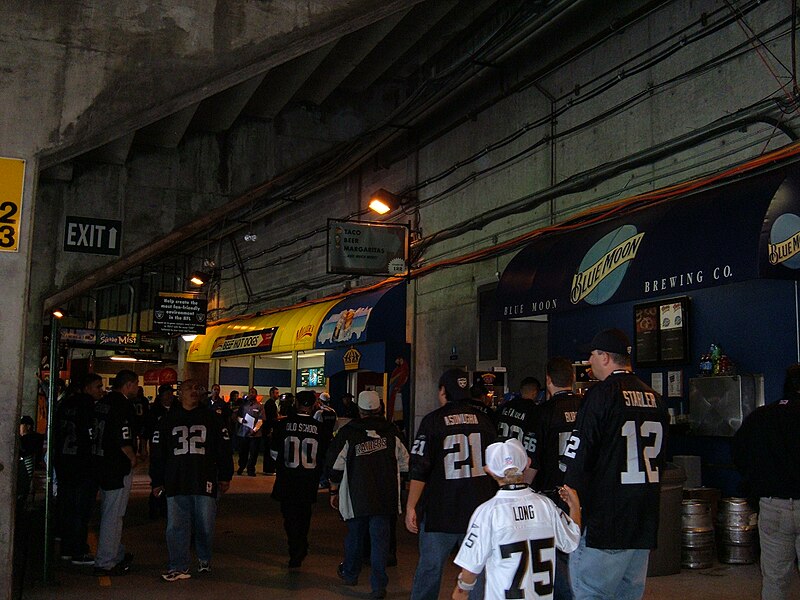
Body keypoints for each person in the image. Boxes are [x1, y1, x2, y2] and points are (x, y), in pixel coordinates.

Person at [562, 328, 669, 600]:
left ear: (606, 357)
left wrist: (571, 502)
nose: (589, 360)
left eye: (593, 354)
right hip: (643, 521)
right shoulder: (655, 399)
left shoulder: (601, 395)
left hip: (607, 522)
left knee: (590, 592)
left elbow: (578, 455)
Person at [406, 368, 498, 600]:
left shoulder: (433, 421)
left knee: (430, 568)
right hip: (478, 510)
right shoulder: (485, 421)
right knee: (477, 570)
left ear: (443, 391)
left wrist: (411, 507)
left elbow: (419, 467)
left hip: (441, 511)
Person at [451, 438, 581, 600]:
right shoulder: (546, 505)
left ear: (489, 470)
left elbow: (471, 568)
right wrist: (575, 506)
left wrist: (462, 590)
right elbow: (571, 541)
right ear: (527, 464)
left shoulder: (488, 512)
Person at [328, 390, 409, 600]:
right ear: (380, 408)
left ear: (360, 410)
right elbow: (405, 462)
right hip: (385, 496)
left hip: (357, 496)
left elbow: (335, 465)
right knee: (380, 542)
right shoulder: (392, 431)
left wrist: (333, 489)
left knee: (354, 537)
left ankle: (350, 574)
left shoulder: (349, 432)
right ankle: (378, 586)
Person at [150, 379, 233, 581]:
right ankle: (178, 565)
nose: (194, 391)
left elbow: (223, 448)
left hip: (204, 477)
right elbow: (158, 452)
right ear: (180, 394)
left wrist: (225, 475)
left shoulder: (212, 418)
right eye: (189, 388)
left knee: (205, 524)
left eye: (197, 388)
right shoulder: (168, 420)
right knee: (176, 525)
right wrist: (157, 480)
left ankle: (204, 559)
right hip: (176, 479)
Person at [732, 363, 800, 600]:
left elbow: (739, 452)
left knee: (774, 579)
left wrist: (755, 483)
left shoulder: (761, 416)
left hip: (772, 505)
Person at [531, 357, 583, 599]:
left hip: (551, 494)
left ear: (548, 381)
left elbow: (534, 459)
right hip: (582, 492)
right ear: (572, 380)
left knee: (554, 554)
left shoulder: (542, 413)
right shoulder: (587, 407)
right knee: (579, 548)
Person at [91, 369, 138, 576]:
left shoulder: (102, 403)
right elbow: (123, 434)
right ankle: (106, 561)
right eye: (135, 384)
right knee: (114, 514)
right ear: (128, 385)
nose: (137, 388)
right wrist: (131, 456)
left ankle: (115, 553)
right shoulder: (123, 405)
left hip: (100, 461)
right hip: (115, 465)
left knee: (108, 511)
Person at [54, 373, 103, 565]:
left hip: (65, 464)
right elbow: (90, 436)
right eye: (98, 386)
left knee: (67, 507)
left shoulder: (64, 404)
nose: (101, 390)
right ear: (87, 388)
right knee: (81, 511)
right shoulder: (88, 406)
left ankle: (67, 547)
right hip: (82, 466)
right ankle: (77, 551)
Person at [270, 390, 322, 568]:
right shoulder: (320, 428)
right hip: (308, 480)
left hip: (288, 479)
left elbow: (274, 453)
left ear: (297, 404)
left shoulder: (283, 425)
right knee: (304, 515)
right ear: (313, 405)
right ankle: (301, 543)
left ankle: (295, 549)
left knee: (289, 516)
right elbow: (323, 456)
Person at [496, 376, 540, 463]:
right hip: (520, 458)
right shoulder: (534, 411)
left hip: (501, 455)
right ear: (535, 393)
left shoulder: (505, 406)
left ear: (521, 390)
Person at [236, 387, 265, 476]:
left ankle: (251, 469)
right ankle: (241, 466)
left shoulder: (259, 406)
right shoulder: (243, 406)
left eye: (253, 392)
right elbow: (238, 416)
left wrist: (255, 430)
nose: (251, 394)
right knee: (243, 452)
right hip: (243, 433)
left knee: (253, 453)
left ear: (256, 395)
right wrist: (241, 420)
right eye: (250, 392)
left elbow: (261, 420)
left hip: (255, 434)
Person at [314, 392, 338, 488]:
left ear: (320, 401)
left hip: (320, 440)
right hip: (329, 439)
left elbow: (315, 426)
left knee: (320, 460)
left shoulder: (319, 413)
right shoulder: (333, 412)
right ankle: (327, 479)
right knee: (328, 460)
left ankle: (322, 480)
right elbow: (335, 427)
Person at [262, 387, 279, 475]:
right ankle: (269, 469)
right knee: (269, 450)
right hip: (269, 430)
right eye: (276, 393)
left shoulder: (271, 403)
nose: (278, 395)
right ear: (271, 393)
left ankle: (268, 468)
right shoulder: (270, 404)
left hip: (268, 429)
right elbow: (272, 419)